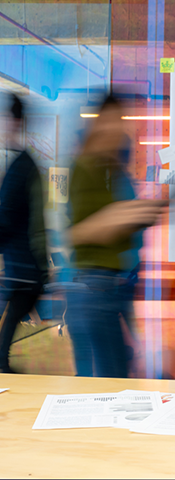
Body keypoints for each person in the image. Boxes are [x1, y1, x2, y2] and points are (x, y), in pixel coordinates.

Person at [67, 95, 166, 377]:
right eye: (111, 120)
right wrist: (127, 215)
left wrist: (145, 212)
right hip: (93, 289)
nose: (117, 129)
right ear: (97, 124)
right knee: (103, 384)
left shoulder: (114, 171)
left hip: (118, 286)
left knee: (117, 377)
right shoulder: (85, 168)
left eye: (120, 121)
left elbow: (123, 223)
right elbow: (79, 231)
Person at [0, 94, 48, 374]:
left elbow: (9, 220)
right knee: (13, 316)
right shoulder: (24, 165)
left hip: (23, 264)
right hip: (24, 264)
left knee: (14, 314)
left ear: (14, 122)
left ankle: (2, 364)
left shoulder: (20, 168)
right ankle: (2, 364)